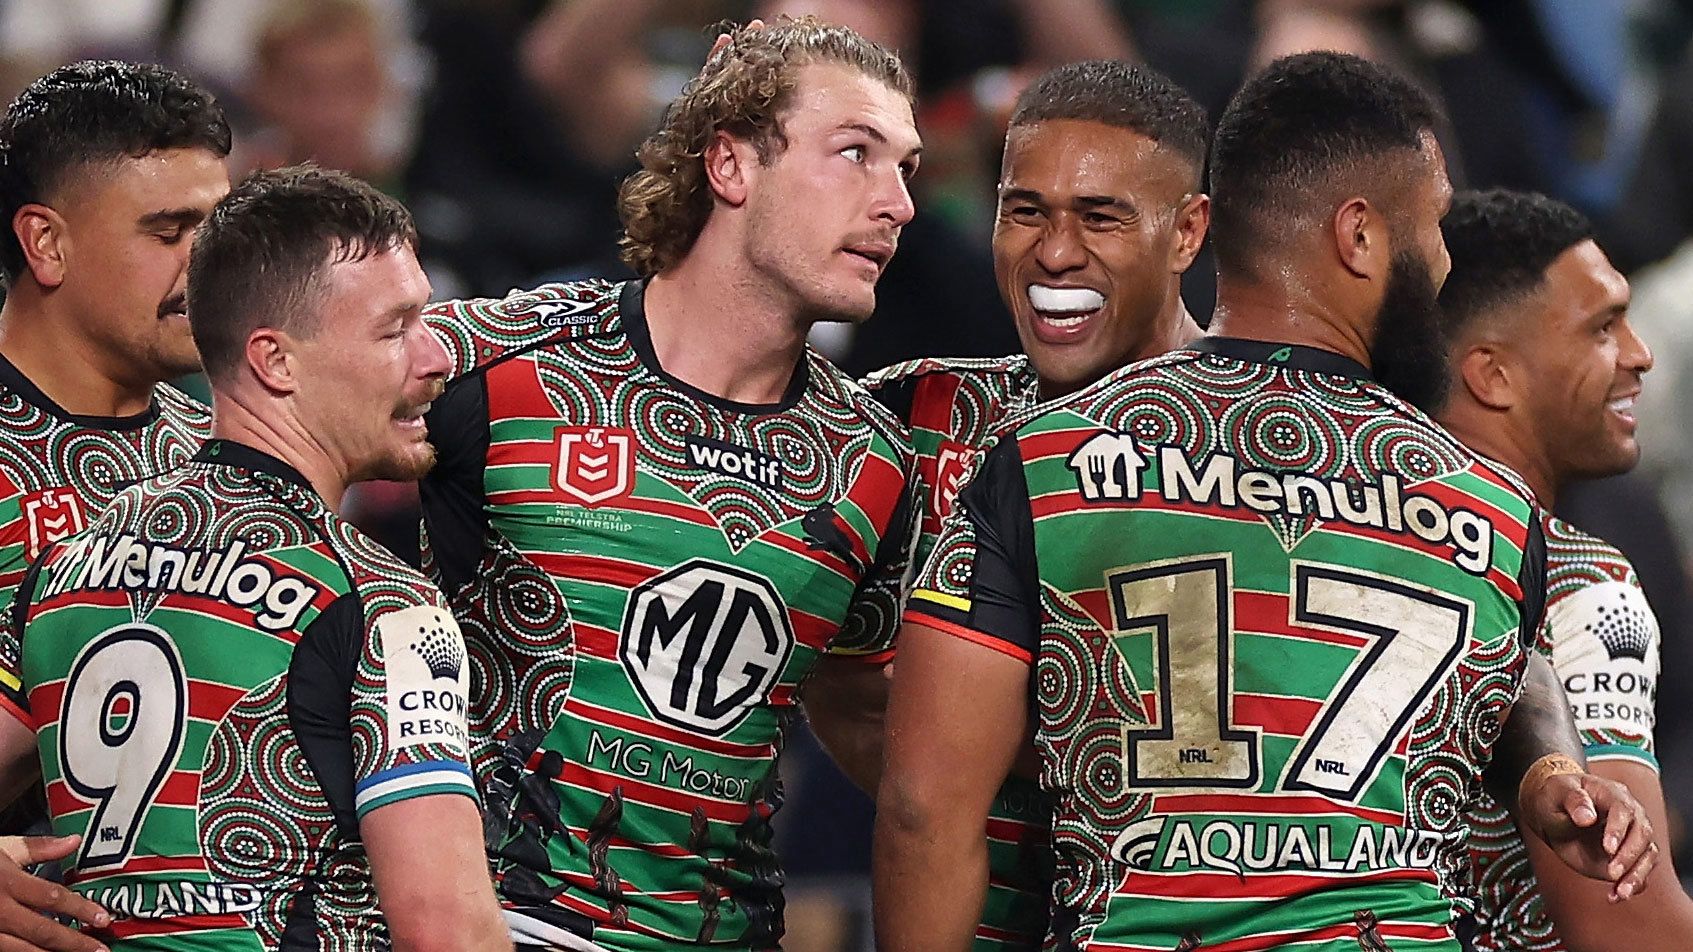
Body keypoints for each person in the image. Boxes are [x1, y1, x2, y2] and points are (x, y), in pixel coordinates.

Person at [874, 51, 1659, 952]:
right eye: (1435, 225)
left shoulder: (1041, 459)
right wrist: (1552, 770)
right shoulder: (1488, 504)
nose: (1444, 262)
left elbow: (921, 811)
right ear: (1357, 236)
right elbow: (1511, 664)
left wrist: (1543, 769)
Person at [417, 17, 920, 952]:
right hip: (485, 922)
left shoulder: (877, 461)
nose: (897, 203)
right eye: (856, 154)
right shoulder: (491, 360)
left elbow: (865, 710)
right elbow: (260, 471)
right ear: (730, 167)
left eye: (906, 169)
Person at [0, 166, 507, 950]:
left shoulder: (66, 561)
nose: (436, 358)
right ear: (276, 361)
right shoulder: (388, 608)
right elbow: (448, 928)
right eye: (394, 329)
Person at [860, 59, 1209, 951]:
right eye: (1025, 211)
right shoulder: (915, 420)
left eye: (1100, 217)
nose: (1054, 254)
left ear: (1186, 232)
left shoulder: (1289, 455)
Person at [0, 60, 232, 952]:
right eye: (168, 230)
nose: (205, 263)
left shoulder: (228, 449)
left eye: (218, 226)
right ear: (46, 243)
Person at [1436, 188, 1693, 950]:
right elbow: (1626, 929)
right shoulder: (1575, 584)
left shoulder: (1360, 530)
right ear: (1494, 376)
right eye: (1602, 327)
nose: (1639, 354)